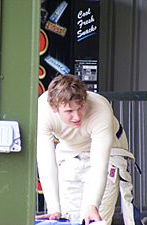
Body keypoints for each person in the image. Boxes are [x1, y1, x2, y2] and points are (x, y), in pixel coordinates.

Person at [36, 74, 140, 225]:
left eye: (80, 107)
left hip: (110, 150)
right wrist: (53, 208)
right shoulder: (43, 111)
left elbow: (99, 165)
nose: (77, 116)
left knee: (96, 216)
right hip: (70, 151)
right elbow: (46, 161)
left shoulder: (100, 109)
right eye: (69, 111)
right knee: (68, 217)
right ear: (54, 108)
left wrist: (93, 205)